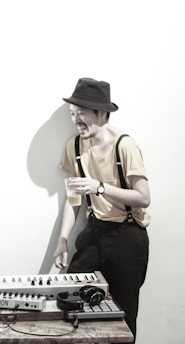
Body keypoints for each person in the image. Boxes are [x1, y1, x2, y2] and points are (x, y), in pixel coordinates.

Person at [53, 77, 150, 342]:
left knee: (123, 314)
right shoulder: (74, 146)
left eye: (82, 112)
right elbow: (73, 199)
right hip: (94, 233)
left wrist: (100, 187)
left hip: (127, 236)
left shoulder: (125, 146)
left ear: (102, 113)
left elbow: (143, 198)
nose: (76, 120)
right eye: (73, 113)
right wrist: (63, 239)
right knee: (72, 299)